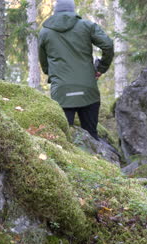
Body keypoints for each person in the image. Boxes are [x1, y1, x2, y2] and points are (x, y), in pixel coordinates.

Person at [38, 0, 114, 141]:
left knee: (63, 139)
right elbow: (108, 45)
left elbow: (44, 63)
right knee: (91, 135)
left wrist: (55, 75)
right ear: (72, 11)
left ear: (56, 11)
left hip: (61, 90)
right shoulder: (87, 26)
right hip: (87, 89)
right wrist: (101, 68)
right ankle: (95, 162)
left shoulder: (45, 32)